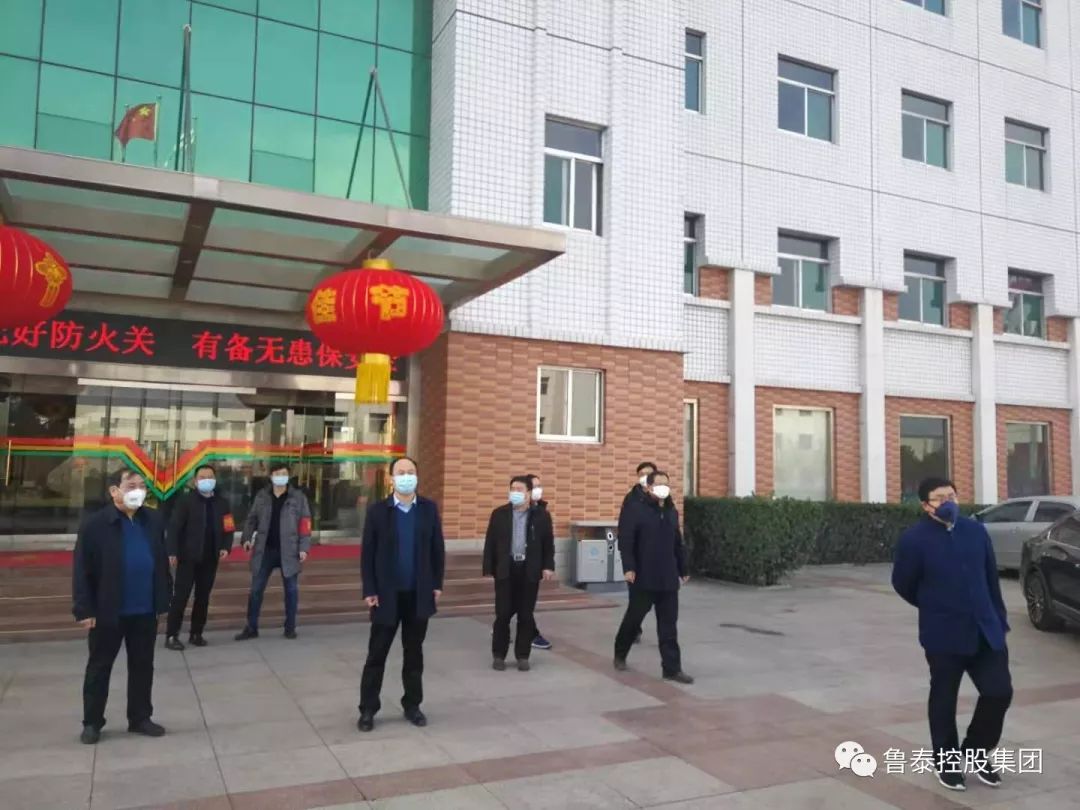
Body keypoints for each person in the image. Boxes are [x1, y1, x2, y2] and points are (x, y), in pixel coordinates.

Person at [892, 477, 1013, 793]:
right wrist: (934, 605)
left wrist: (998, 619)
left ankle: (975, 750)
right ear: (926, 505)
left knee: (999, 691)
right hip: (943, 633)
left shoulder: (975, 531)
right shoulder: (914, 540)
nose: (948, 502)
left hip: (985, 629)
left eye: (952, 496)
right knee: (944, 699)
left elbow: (990, 577)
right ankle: (946, 763)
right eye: (940, 497)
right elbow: (903, 583)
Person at [72, 469, 171, 745]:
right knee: (99, 667)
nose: (138, 490)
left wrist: (163, 598)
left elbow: (161, 562)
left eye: (142, 486)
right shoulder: (95, 525)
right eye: (130, 485)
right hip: (108, 610)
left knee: (143, 666)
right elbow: (82, 569)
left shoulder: (152, 520)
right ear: (114, 491)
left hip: (145, 609)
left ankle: (140, 717)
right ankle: (92, 722)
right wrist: (84, 609)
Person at [358, 457, 445, 733]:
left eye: (411, 472)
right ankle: (368, 708)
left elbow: (437, 550)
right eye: (401, 472)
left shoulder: (428, 509)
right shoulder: (378, 511)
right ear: (391, 478)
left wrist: (437, 584)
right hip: (386, 595)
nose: (406, 477)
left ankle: (412, 705)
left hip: (418, 595)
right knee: (377, 655)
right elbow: (367, 554)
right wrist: (369, 588)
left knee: (414, 654)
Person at [613, 470, 693, 684]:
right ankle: (620, 653)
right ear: (648, 487)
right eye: (658, 484)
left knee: (669, 626)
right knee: (634, 619)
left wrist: (683, 568)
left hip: (668, 578)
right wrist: (629, 568)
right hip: (643, 577)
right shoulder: (635, 509)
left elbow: (677, 542)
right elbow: (626, 541)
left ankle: (672, 668)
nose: (663, 487)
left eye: (666, 483)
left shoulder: (671, 511)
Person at [484, 476, 556, 671]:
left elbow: (548, 544)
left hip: (529, 569)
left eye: (519, 489)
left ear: (529, 493)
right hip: (506, 569)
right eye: (512, 489)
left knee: (525, 615)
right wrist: (489, 567)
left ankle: (523, 655)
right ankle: (499, 655)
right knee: (503, 614)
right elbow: (490, 542)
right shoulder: (499, 514)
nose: (515, 492)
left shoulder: (541, 516)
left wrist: (548, 566)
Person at [234, 463, 312, 641]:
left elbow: (305, 524)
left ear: (288, 476)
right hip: (265, 550)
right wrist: (246, 538)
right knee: (256, 590)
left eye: (283, 473)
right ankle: (251, 627)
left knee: (291, 591)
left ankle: (290, 627)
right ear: (271, 476)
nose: (280, 476)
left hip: (289, 550)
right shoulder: (262, 496)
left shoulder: (298, 497)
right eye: (277, 473)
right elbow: (251, 519)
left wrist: (304, 548)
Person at [164, 464, 235, 650]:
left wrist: (226, 547)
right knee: (181, 597)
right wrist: (172, 551)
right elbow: (174, 527)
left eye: (210, 477)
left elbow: (229, 528)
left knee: (203, 597)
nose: (206, 480)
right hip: (187, 557)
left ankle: (196, 633)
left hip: (210, 557)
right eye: (202, 477)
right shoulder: (186, 501)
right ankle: (171, 635)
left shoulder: (222, 503)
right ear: (195, 481)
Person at [620, 461, 657, 645]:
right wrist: (628, 565)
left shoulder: (662, 498)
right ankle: (632, 630)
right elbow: (625, 532)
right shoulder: (631, 499)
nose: (644, 477)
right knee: (637, 599)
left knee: (651, 600)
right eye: (641, 474)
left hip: (657, 558)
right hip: (637, 558)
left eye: (648, 473)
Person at [527, 473, 553, 650]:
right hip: (515, 564)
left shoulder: (543, 513)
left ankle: (501, 626)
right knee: (521, 602)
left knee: (526, 602)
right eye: (534, 486)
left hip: (533, 565)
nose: (538, 490)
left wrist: (548, 565)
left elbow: (548, 542)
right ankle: (532, 634)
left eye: (539, 486)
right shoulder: (513, 512)